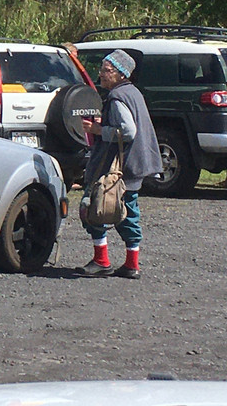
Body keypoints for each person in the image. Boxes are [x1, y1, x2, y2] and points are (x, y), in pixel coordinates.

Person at [76, 49, 163, 280]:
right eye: (102, 69)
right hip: (134, 166)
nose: (101, 74)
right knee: (130, 214)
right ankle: (131, 264)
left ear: (122, 74)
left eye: (107, 70)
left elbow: (128, 131)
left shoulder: (117, 97)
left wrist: (97, 130)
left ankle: (102, 261)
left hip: (115, 169)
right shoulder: (133, 93)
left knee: (95, 207)